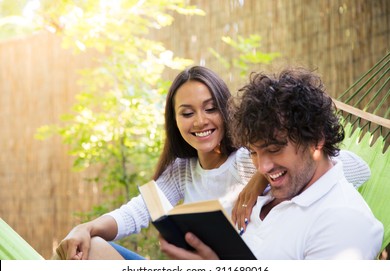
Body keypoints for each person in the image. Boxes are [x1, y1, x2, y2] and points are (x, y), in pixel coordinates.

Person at [54, 66, 371, 260]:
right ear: (174, 121)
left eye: (210, 108)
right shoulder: (180, 172)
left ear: (225, 111)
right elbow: (137, 212)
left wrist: (258, 178)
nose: (200, 121)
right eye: (187, 112)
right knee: (85, 250)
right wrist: (86, 226)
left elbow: (355, 167)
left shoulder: (250, 161)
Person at [159, 67, 383, 260]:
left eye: (274, 149)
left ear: (315, 139)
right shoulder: (272, 192)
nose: (262, 168)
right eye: (254, 153)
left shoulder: (345, 222)